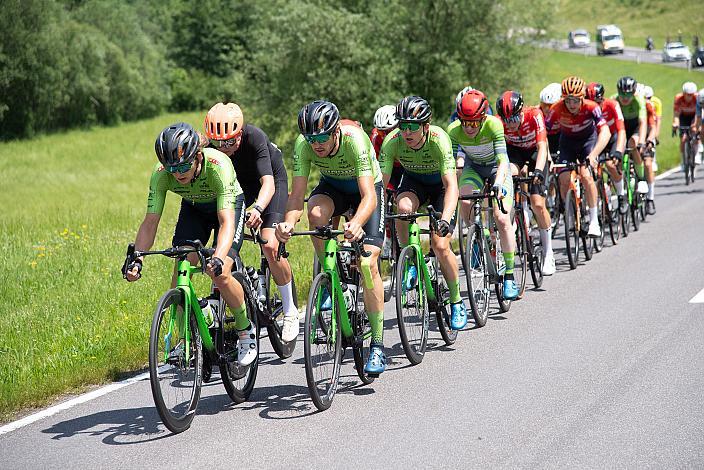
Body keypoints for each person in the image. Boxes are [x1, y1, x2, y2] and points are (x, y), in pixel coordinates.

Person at [124, 123, 257, 366]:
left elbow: (226, 221)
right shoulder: (162, 173)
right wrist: (138, 258)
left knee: (221, 272)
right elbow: (150, 221)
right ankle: (186, 338)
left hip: (227, 206)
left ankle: (245, 329)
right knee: (182, 265)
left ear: (197, 156)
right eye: (172, 168)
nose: (178, 174)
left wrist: (218, 257)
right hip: (194, 208)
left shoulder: (218, 166)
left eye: (184, 166)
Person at [276, 100, 388, 375]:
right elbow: (296, 194)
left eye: (322, 137)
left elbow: (369, 196)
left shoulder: (356, 141)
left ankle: (377, 344)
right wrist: (288, 223)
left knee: (367, 263)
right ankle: (332, 274)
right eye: (311, 138)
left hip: (366, 190)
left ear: (336, 131)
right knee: (315, 213)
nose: (317, 144)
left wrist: (357, 223)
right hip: (333, 187)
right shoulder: (303, 146)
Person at [203, 102, 299, 343]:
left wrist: (257, 208)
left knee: (269, 244)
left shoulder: (255, 137)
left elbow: (268, 183)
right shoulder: (212, 145)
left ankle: (289, 310)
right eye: (219, 143)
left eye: (230, 142)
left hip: (269, 182)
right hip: (238, 187)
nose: (224, 148)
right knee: (222, 247)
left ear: (240, 132)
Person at [378, 96, 467, 329]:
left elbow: (451, 186)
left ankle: (457, 300)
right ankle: (410, 260)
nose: (406, 132)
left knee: (440, 245)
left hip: (440, 187)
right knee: (402, 208)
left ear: (425, 127)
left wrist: (445, 219)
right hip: (414, 182)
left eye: (412, 127)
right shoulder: (392, 142)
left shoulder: (439, 139)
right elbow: (379, 186)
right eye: (403, 126)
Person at [448, 89, 519, 300]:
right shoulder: (453, 130)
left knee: (501, 218)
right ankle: (478, 235)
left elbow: (503, 160)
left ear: (482, 117)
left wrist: (498, 184)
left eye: (473, 123)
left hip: (497, 168)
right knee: (466, 199)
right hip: (474, 168)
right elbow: (451, 166)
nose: (469, 128)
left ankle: (509, 274)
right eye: (464, 122)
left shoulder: (493, 124)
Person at [495, 90, 556, 276]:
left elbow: (542, 147)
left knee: (538, 202)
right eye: (506, 121)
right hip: (515, 153)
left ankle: (548, 252)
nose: (510, 125)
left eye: (513, 119)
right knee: (511, 173)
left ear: (521, 112)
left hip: (535, 153)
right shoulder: (499, 122)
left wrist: (538, 170)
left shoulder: (534, 115)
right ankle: (517, 212)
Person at [545, 76, 611, 237]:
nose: (571, 105)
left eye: (575, 101)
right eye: (568, 101)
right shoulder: (556, 109)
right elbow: (542, 135)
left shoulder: (591, 107)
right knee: (563, 178)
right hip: (567, 143)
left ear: (582, 98)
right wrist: (548, 157)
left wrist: (594, 154)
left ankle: (594, 221)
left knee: (586, 175)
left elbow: (605, 132)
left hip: (588, 142)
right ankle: (572, 212)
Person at [613, 76, 656, 213]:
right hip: (621, 128)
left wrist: (642, 142)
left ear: (634, 92)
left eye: (628, 94)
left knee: (633, 144)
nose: (625, 97)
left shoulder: (639, 100)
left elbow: (643, 123)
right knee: (617, 156)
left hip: (635, 127)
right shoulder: (614, 100)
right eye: (622, 94)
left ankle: (642, 178)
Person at [586, 82, 628, 213]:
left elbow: (621, 130)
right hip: (598, 140)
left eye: (597, 102)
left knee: (610, 165)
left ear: (602, 99)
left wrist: (618, 151)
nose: (594, 106)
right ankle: (603, 192)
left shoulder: (612, 105)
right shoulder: (586, 109)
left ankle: (621, 195)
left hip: (613, 138)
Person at [672, 82, 699, 169]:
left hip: (694, 116)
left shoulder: (697, 98)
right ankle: (683, 160)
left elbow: (698, 115)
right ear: (684, 93)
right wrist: (675, 124)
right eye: (688, 95)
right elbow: (676, 115)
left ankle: (697, 153)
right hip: (683, 116)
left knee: (695, 131)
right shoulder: (678, 98)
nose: (690, 97)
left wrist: (695, 125)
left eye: (691, 95)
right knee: (683, 139)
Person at [539, 83, 563, 156]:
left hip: (561, 137)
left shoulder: (565, 112)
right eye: (544, 105)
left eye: (550, 106)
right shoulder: (537, 112)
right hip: (544, 138)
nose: (546, 109)